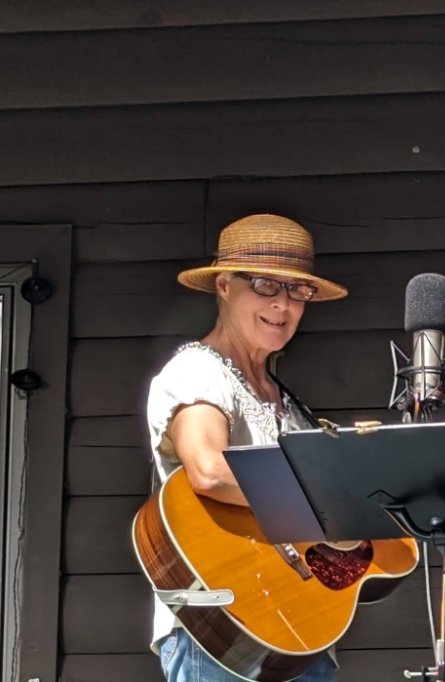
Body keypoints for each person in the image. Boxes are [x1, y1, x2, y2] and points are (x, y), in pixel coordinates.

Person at [146, 214, 348, 681]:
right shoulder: (199, 371)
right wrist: (324, 502)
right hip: (223, 629)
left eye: (298, 290)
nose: (283, 304)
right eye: (264, 284)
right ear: (223, 285)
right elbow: (211, 471)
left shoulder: (286, 402)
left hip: (299, 628)